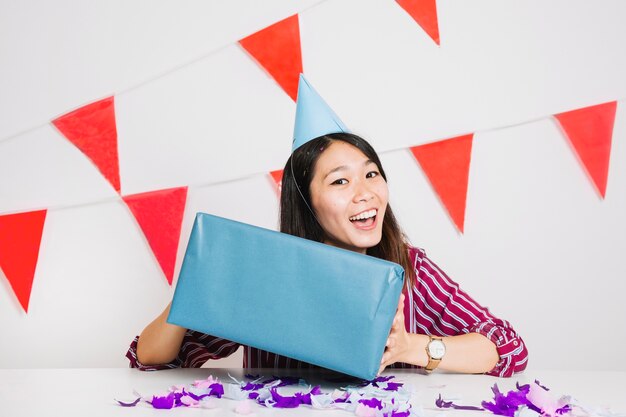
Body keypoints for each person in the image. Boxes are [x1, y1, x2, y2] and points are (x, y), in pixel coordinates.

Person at [126, 77, 528, 378]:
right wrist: (194, 288)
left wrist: (413, 347)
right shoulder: (267, 274)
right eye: (340, 181)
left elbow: (508, 347)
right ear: (306, 202)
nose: (364, 193)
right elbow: (148, 356)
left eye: (371, 174)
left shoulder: (412, 270)